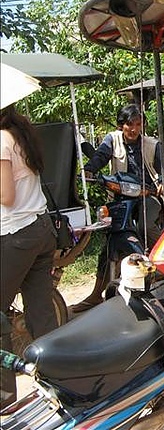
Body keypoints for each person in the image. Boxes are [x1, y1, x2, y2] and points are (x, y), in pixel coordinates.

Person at [70, 103, 164, 313]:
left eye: (138, 124)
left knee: (146, 226)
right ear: (121, 125)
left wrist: (162, 182)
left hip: (146, 195)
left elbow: (163, 167)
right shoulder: (112, 140)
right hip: (121, 199)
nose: (134, 129)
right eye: (129, 124)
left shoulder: (151, 144)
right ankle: (96, 295)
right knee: (109, 243)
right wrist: (89, 171)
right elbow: (99, 158)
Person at [1, 105, 58, 409]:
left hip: (16, 235)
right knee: (41, 314)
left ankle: (4, 401)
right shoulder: (20, 134)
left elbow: (6, 197)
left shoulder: (0, 140)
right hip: (40, 228)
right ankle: (57, 382)